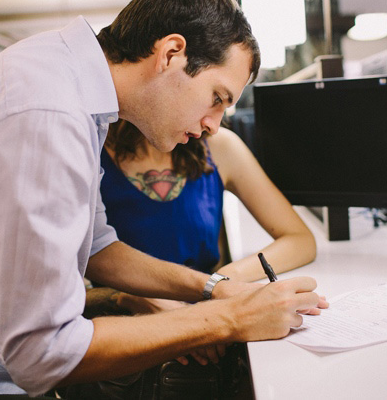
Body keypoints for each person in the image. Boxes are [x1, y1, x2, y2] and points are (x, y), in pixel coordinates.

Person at [0, 0, 327, 399]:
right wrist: (227, 319)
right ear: (170, 54)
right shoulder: (48, 113)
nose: (213, 125)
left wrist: (211, 289)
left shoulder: (73, 87)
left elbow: (97, 245)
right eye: (216, 98)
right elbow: (43, 351)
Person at [94, 119, 317, 318]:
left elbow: (300, 240)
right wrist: (129, 297)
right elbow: (71, 282)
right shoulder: (90, 150)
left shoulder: (220, 146)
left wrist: (221, 281)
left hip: (205, 314)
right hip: (122, 328)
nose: (215, 124)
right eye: (215, 97)